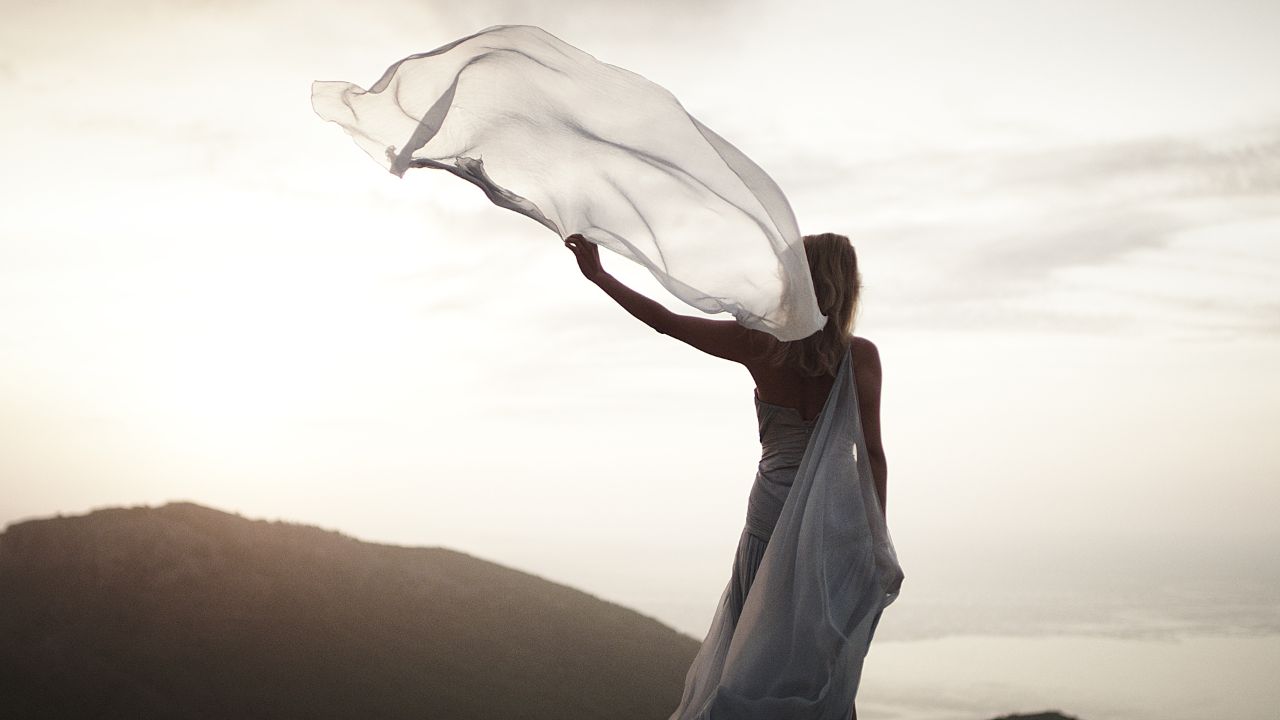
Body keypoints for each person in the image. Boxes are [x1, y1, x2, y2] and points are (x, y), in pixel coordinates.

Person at [564, 232, 888, 720]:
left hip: (771, 511)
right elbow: (874, 455)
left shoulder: (761, 344)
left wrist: (602, 276)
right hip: (831, 520)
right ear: (848, 286)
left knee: (750, 637)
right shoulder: (860, 356)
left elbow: (668, 323)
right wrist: (876, 537)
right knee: (817, 652)